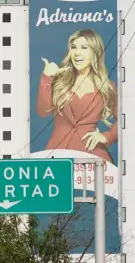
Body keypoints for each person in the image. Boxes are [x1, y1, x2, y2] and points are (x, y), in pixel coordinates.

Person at [35, 28, 118, 164]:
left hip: (94, 155)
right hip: (58, 152)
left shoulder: (108, 87)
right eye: (73, 47)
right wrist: (46, 78)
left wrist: (108, 136)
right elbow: (43, 112)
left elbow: (125, 121)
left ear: (95, 52)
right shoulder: (58, 80)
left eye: (84, 47)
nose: (77, 53)